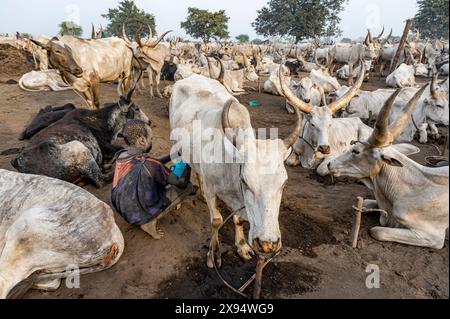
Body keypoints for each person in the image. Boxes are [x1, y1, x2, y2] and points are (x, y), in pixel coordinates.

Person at [111, 120, 197, 239]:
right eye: (151, 138)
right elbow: (181, 183)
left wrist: (174, 155)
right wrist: (186, 162)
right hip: (137, 215)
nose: (152, 141)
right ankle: (149, 223)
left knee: (157, 178)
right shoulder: (150, 165)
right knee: (187, 187)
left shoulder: (123, 155)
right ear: (142, 140)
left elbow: (151, 164)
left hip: (121, 206)